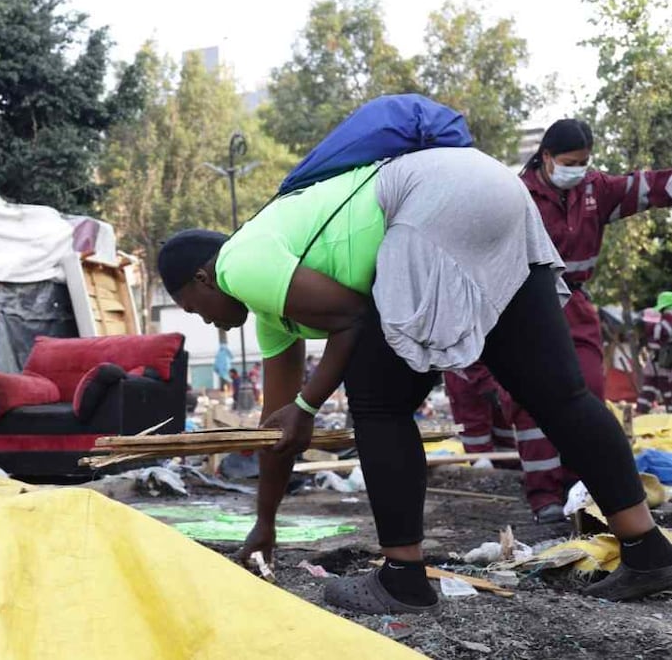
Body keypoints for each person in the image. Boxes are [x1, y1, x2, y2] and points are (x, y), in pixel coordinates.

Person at [157, 145, 672, 615]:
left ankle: (402, 578)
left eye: (190, 306)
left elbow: (354, 320)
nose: (201, 318)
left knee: (378, 402)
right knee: (562, 396)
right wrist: (265, 522)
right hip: (494, 188)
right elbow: (277, 430)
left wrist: (310, 406)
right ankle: (647, 551)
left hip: (436, 204)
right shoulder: (275, 303)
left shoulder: (239, 262)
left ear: (203, 279)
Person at [496, 119, 672, 504]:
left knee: (587, 394)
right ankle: (544, 498)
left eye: (585, 162)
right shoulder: (516, 195)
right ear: (546, 157)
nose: (579, 169)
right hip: (525, 305)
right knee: (530, 400)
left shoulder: (596, 189)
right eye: (571, 161)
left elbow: (647, 187)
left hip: (574, 304)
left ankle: (582, 486)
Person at [444, 363, 571, 522]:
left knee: (506, 419)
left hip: (499, 365)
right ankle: (483, 464)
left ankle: (508, 466)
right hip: (463, 369)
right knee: (474, 423)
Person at [639, 292, 672, 414]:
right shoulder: (666, 322)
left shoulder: (660, 322)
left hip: (655, 361)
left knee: (649, 388)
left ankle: (640, 412)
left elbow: (653, 340)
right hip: (666, 364)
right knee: (669, 390)